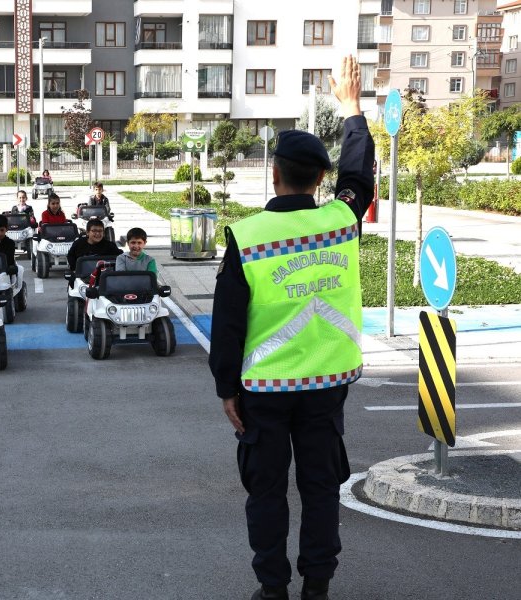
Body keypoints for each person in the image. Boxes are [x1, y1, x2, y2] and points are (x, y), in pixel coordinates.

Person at [208, 55, 374, 600]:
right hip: (327, 387)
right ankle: (318, 587)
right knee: (322, 488)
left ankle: (272, 589)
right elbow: (359, 176)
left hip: (264, 393)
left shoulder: (248, 237)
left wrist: (226, 389)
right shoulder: (341, 219)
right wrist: (351, 108)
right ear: (321, 179)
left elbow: (227, 324)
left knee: (266, 492)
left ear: (273, 174)